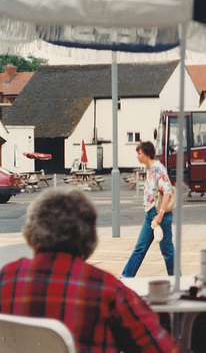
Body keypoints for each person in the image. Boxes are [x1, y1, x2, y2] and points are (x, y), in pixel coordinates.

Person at [0, 187, 180, 353]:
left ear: (32, 231)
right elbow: (163, 348)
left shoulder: (6, 277)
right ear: (89, 236)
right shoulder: (106, 288)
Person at [122, 141, 176, 278]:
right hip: (150, 214)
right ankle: (126, 277)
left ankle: (177, 280)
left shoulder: (158, 168)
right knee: (140, 248)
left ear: (147, 154)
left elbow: (167, 192)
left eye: (139, 154)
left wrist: (161, 214)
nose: (137, 156)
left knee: (167, 251)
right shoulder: (149, 169)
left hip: (159, 214)